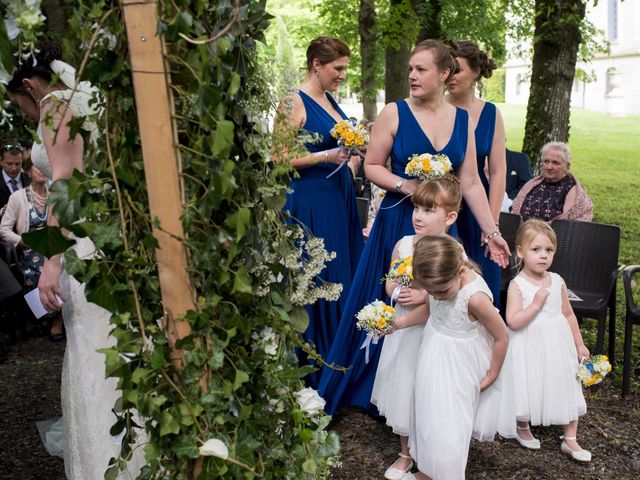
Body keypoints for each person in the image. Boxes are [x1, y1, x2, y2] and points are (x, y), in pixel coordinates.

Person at [318, 39, 510, 415]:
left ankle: (428, 390)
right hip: (397, 222)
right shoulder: (394, 113)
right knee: (389, 296)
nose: (412, 76)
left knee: (437, 302)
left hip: (440, 231)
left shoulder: (462, 121)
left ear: (443, 74)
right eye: (410, 69)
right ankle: (370, 387)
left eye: (421, 69)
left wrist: (492, 232)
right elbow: (373, 167)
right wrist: (407, 185)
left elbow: (470, 181)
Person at [6, 40, 145, 479]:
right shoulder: (90, 98)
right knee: (119, 344)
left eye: (17, 103)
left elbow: (64, 185)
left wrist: (52, 261)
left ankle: (109, 461)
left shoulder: (54, 106)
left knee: (94, 347)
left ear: (30, 85)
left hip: (80, 244)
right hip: (109, 232)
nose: (25, 114)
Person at [273, 36, 364, 387]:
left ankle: (338, 367)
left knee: (341, 275)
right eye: (337, 68)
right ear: (317, 64)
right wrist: (325, 156)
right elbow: (278, 158)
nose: (342, 75)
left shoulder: (329, 100)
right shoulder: (292, 100)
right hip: (310, 200)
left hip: (337, 199)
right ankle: (314, 375)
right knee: (320, 278)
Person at [397, 234, 513, 480]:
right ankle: (428, 472)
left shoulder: (475, 298)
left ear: (460, 272)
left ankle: (447, 474)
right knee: (428, 416)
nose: (437, 296)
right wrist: (399, 323)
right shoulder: (439, 284)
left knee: (449, 426)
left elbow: (502, 335)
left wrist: (493, 373)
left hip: (460, 365)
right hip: (433, 352)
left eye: (442, 290)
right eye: (431, 291)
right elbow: (430, 310)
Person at [371, 176, 461, 480]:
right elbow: (391, 281)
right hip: (404, 331)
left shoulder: (452, 251)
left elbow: (451, 294)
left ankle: (430, 455)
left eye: (429, 210)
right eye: (417, 208)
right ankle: (405, 453)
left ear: (450, 218)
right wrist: (398, 293)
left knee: (429, 391)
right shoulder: (404, 244)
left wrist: (424, 294)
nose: (418, 216)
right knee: (404, 387)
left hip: (431, 330)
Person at [504, 219, 590, 461]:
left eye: (549, 250)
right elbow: (514, 321)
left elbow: (568, 314)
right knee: (529, 381)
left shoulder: (557, 280)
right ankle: (523, 425)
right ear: (520, 251)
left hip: (559, 343)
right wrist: (536, 304)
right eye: (536, 250)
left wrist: (579, 343)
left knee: (565, 381)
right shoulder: (517, 285)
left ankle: (570, 438)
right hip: (529, 343)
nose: (543, 256)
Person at [446, 40, 506, 308]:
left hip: (477, 203)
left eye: (456, 70)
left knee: (484, 278)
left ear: (476, 72)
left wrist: (490, 223)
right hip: (441, 199)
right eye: (446, 69)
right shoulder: (437, 108)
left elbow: (497, 170)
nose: (449, 76)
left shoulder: (491, 114)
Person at [0, 160, 63, 340]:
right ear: (28, 171)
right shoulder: (18, 197)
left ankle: (57, 319)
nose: (42, 171)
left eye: (45, 168)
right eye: (38, 167)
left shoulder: (55, 195)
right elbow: (3, 229)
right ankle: (44, 316)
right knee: (32, 269)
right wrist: (21, 242)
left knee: (60, 266)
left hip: (53, 247)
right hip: (29, 249)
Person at [512, 142, 592, 222]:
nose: (549, 167)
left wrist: (536, 229)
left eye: (555, 163)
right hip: (522, 231)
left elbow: (566, 223)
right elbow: (515, 212)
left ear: (567, 166)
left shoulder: (572, 189)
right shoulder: (533, 184)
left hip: (554, 234)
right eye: (546, 161)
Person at [0, 141, 31, 215]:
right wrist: (2, 212)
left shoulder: (30, 180)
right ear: (1, 161)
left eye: (18, 164)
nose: (14, 168)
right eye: (9, 164)